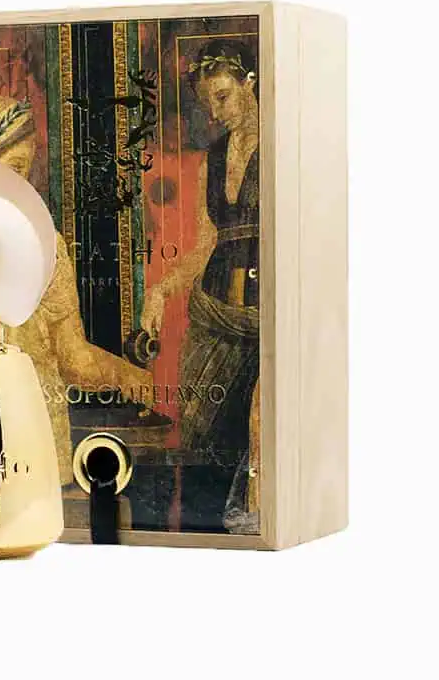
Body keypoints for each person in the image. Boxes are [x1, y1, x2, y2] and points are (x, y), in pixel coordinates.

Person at [0, 94, 154, 487]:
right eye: (13, 168)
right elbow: (75, 361)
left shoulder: (44, 245)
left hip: (14, 439)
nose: (21, 183)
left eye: (26, 169)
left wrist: (130, 376)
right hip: (2, 434)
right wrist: (131, 378)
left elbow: (75, 360)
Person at [140, 40, 260, 533]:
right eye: (208, 102)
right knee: (200, 442)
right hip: (213, 316)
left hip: (268, 318)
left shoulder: (285, 149)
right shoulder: (212, 158)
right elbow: (207, 239)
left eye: (223, 96)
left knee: (256, 438)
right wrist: (161, 290)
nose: (215, 112)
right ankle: (199, 540)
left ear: (250, 81)